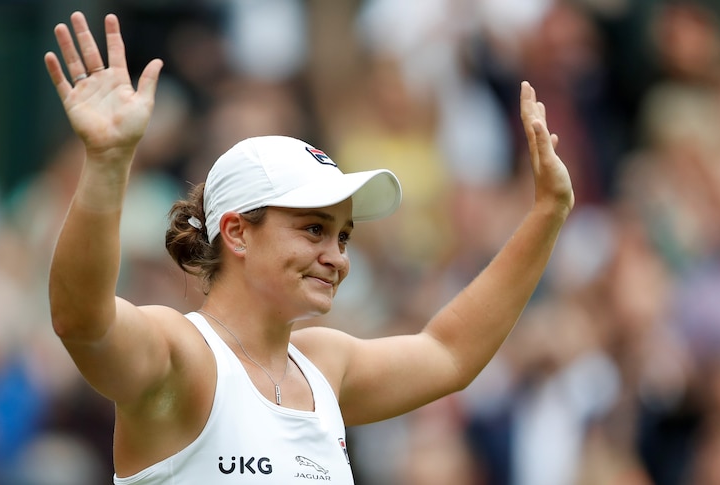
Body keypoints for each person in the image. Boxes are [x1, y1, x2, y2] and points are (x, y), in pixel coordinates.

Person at [43, 11, 574, 485]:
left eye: (342, 236)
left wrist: (546, 215)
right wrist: (108, 162)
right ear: (237, 233)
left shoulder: (324, 363)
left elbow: (451, 353)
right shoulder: (181, 354)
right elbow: (81, 320)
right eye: (314, 230)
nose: (338, 257)